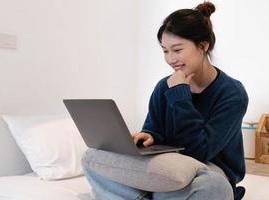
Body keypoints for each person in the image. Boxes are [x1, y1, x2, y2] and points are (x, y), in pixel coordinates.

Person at [83, 2, 248, 200]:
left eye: (177, 50)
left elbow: (199, 152)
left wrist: (181, 95)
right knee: (92, 159)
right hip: (168, 168)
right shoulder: (163, 87)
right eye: (165, 51)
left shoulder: (231, 93)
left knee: (213, 188)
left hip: (209, 169)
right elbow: (153, 129)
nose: (170, 59)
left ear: (203, 46)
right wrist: (148, 136)